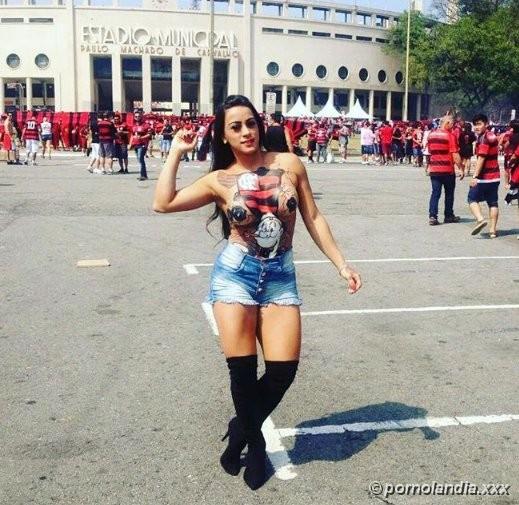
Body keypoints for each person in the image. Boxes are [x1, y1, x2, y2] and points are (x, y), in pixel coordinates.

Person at [152, 95, 362, 490]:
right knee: (243, 372)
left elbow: (313, 217)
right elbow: (163, 203)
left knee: (283, 371)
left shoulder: (290, 164)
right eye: (236, 127)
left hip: (281, 276)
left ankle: (241, 429)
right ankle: (258, 445)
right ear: (224, 136)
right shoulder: (219, 179)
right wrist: (177, 153)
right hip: (235, 276)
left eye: (250, 123)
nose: (246, 131)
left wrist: (341, 263)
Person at [468, 113, 501, 238]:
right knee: (493, 203)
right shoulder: (493, 136)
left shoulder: (484, 138)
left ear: (486, 124)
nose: (476, 127)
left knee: (472, 199)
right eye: (475, 124)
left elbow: (481, 158)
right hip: (495, 176)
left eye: (479, 124)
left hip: (484, 177)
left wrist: (475, 176)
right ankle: (493, 231)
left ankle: (480, 219)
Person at [427, 115, 463, 226]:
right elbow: (455, 154)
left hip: (434, 169)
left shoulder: (431, 135)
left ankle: (433, 216)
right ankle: (448, 215)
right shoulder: (450, 136)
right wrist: (461, 168)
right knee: (449, 194)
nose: (453, 127)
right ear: (447, 123)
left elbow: (429, 152)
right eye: (452, 124)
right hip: (447, 170)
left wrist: (429, 166)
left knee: (435, 193)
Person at [129, 110, 151, 181]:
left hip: (143, 144)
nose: (137, 117)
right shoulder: (134, 125)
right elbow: (132, 135)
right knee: (139, 159)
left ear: (141, 116)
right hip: (136, 144)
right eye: (136, 116)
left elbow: (149, 134)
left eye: (138, 116)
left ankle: (143, 175)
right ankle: (144, 175)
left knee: (140, 158)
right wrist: (130, 144)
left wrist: (141, 137)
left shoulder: (145, 125)